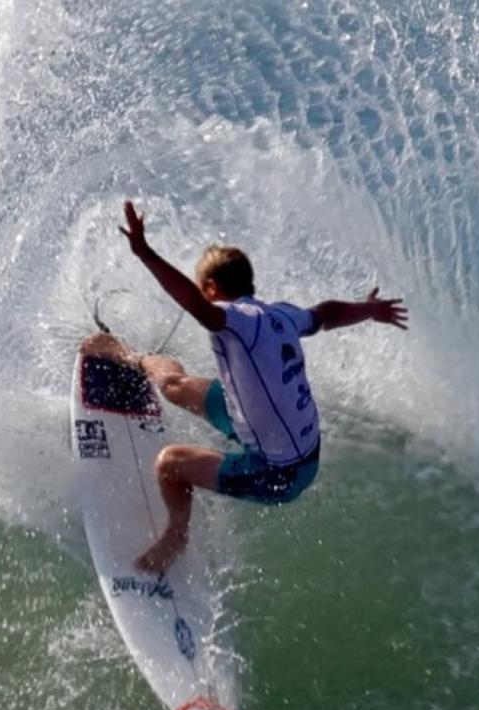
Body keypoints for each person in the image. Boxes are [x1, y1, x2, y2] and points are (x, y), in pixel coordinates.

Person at [106, 200, 408, 573]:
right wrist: (370, 309)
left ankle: (176, 536)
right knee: (173, 386)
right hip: (280, 434)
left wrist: (145, 253)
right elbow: (325, 314)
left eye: (204, 291)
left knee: (170, 464)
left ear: (212, 288)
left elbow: (198, 308)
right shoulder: (280, 314)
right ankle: (133, 358)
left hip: (280, 472)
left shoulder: (235, 320)